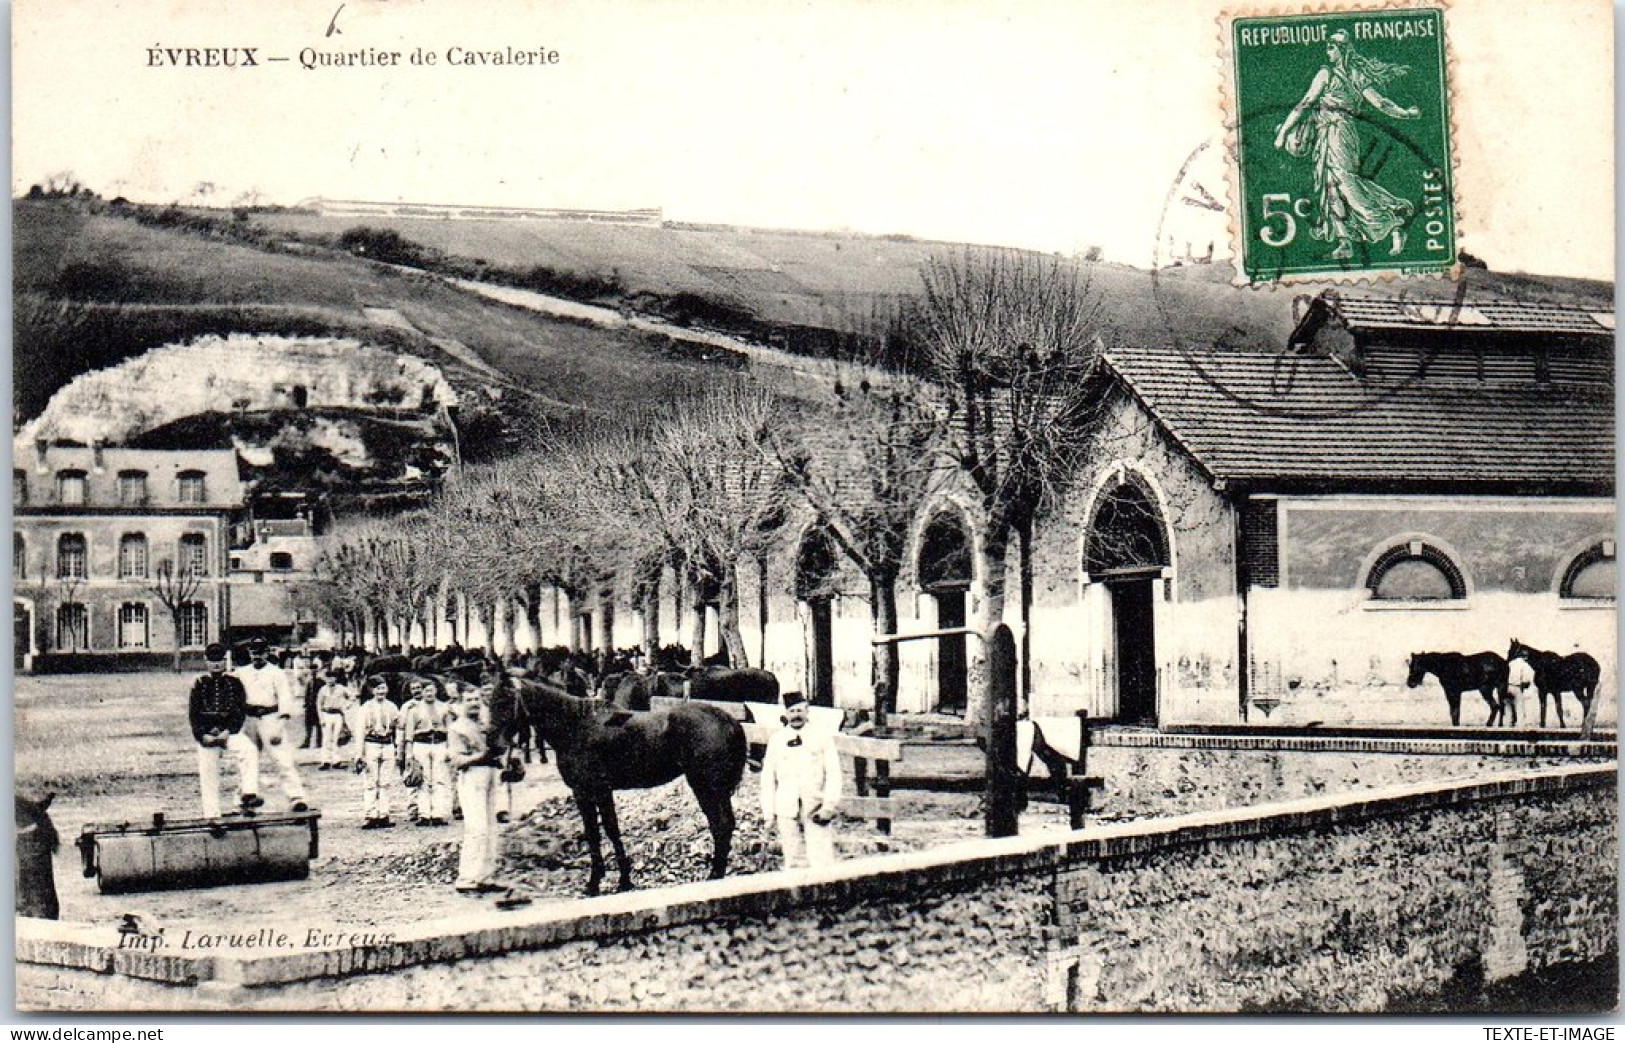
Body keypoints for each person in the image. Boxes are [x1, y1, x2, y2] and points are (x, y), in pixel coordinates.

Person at [1273, 29, 1421, 260]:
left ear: (1342, 50)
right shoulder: (1340, 74)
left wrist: (1405, 113)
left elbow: (1379, 103)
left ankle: (1391, 224)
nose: (1327, 51)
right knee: (1329, 183)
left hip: (1340, 133)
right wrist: (1284, 131)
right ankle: (1344, 242)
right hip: (1327, 132)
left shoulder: (1335, 74)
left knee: (1344, 182)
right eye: (1327, 47)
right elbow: (1307, 103)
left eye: (1331, 47)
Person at [758, 690, 843, 869]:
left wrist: (829, 805)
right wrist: (768, 813)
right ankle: (795, 894)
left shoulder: (821, 736)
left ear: (807, 711)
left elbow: (834, 773)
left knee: (821, 858)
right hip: (786, 806)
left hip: (815, 805)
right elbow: (767, 779)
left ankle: (824, 892)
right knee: (792, 857)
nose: (796, 716)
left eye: (799, 711)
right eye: (792, 712)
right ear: (785, 714)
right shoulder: (777, 740)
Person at [233, 638, 309, 813]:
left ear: (267, 653)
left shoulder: (276, 673)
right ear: (249, 653)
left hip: (271, 717)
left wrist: (280, 725)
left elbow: (284, 698)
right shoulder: (241, 673)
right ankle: (244, 798)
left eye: (260, 653)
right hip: (248, 718)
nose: (257, 656)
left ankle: (296, 797)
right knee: (247, 760)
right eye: (254, 653)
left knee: (282, 759)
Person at [447, 688, 504, 893]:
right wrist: (481, 757)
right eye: (469, 700)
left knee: (490, 828)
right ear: (461, 702)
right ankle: (467, 878)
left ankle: (485, 876)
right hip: (471, 776)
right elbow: (456, 760)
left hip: (489, 775)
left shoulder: (486, 726)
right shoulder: (457, 728)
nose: (474, 703)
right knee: (476, 828)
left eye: (477, 699)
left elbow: (498, 751)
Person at [189, 643, 250, 828]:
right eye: (212, 661)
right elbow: (193, 714)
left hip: (229, 733)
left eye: (220, 661)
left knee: (248, 751)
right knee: (208, 771)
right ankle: (212, 815)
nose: (216, 665)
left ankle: (246, 797)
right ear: (206, 661)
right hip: (207, 735)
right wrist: (202, 735)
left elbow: (240, 711)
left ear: (225, 661)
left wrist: (228, 731)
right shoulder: (199, 684)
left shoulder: (234, 683)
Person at [399, 678, 455, 827]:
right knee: (423, 780)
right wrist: (409, 754)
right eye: (426, 691)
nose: (429, 693)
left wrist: (450, 749)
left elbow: (450, 731)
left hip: (439, 744)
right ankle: (424, 813)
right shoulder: (414, 710)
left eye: (431, 690)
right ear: (422, 693)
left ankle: (438, 813)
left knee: (439, 779)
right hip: (421, 744)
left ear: (436, 691)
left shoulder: (444, 708)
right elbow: (409, 735)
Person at [355, 676, 401, 828]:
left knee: (385, 781)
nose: (381, 691)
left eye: (383, 688)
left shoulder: (392, 707)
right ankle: (371, 814)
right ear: (371, 690)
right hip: (371, 744)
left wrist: (398, 746)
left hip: (387, 744)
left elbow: (398, 727)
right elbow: (360, 732)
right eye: (378, 688)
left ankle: (384, 814)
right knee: (370, 781)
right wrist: (358, 754)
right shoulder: (365, 708)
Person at [317, 668, 355, 768]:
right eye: (328, 678)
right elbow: (319, 705)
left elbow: (352, 696)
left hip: (337, 714)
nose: (330, 680)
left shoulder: (341, 688)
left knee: (336, 738)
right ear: (325, 679)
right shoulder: (323, 690)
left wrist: (346, 705)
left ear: (336, 678)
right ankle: (325, 761)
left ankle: (336, 760)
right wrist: (321, 718)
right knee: (326, 739)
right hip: (326, 714)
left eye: (332, 678)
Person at [1505, 654, 1535, 727]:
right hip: (1517, 687)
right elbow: (1526, 679)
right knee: (1519, 706)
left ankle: (1509, 723)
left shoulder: (1510, 663)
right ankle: (1520, 724)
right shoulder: (1525, 665)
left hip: (1508, 686)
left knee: (1509, 706)